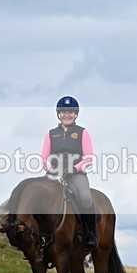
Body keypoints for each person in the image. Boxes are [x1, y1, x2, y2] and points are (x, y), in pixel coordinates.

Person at [40, 96, 98, 249]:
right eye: (64, 112)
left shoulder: (82, 133)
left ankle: (91, 233)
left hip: (76, 175)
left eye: (70, 112)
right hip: (54, 175)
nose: (67, 115)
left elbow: (89, 157)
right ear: (59, 114)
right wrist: (50, 168)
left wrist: (75, 168)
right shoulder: (51, 134)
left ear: (76, 114)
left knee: (85, 198)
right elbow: (43, 158)